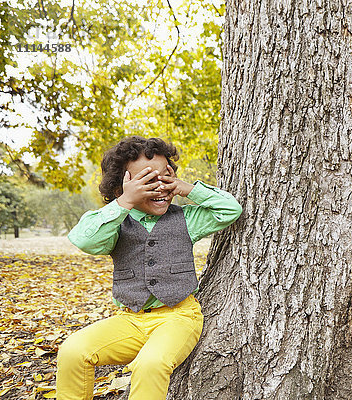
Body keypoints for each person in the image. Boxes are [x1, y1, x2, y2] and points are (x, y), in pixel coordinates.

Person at [56, 136, 242, 400]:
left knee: (150, 365)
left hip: (179, 318)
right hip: (130, 320)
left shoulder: (185, 220)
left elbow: (230, 209)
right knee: (73, 351)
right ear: (122, 185)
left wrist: (186, 188)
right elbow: (84, 239)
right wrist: (124, 203)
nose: (160, 187)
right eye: (147, 180)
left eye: (166, 177)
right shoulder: (114, 223)